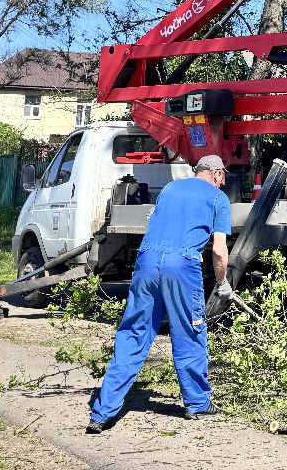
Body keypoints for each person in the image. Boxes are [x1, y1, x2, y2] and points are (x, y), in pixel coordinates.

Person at [87, 154, 233, 433]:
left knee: (133, 332)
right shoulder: (218, 199)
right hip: (182, 265)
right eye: (223, 176)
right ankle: (198, 403)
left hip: (148, 262)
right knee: (190, 331)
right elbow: (218, 250)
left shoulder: (169, 188)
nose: (223, 181)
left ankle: (102, 412)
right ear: (215, 174)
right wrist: (221, 282)